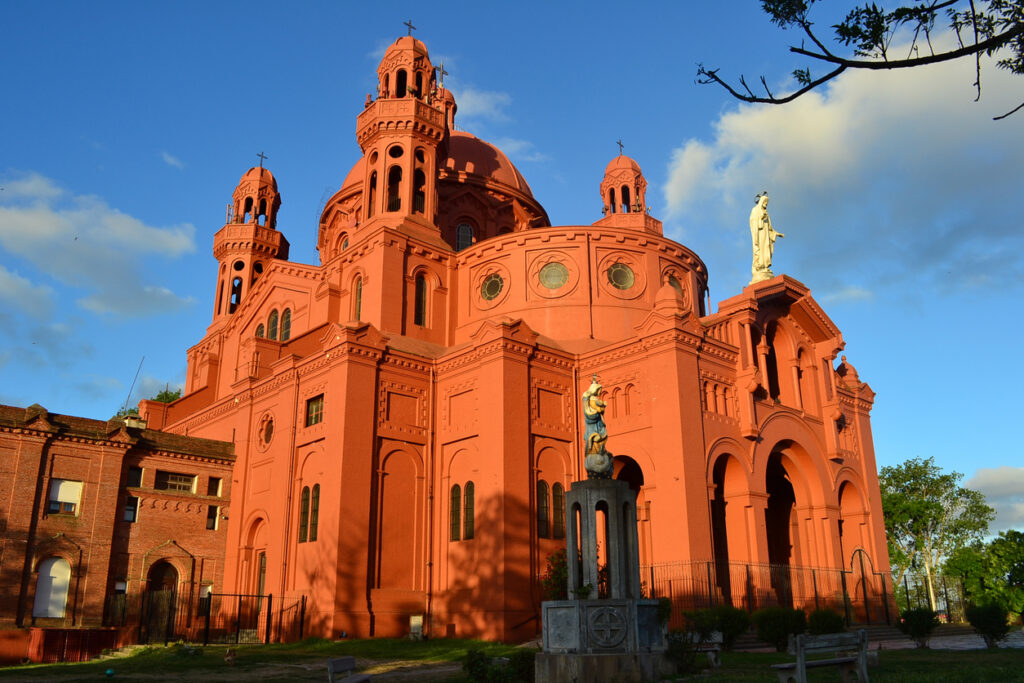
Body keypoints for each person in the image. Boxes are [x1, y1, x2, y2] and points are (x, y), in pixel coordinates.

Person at [749, 193, 784, 279]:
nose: (766, 205)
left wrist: (776, 233)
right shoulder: (755, 210)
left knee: (767, 249)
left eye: (767, 203)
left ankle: (765, 267)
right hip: (759, 235)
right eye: (765, 202)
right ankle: (760, 267)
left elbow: (769, 228)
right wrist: (760, 217)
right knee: (760, 250)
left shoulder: (766, 213)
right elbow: (752, 221)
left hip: (766, 236)